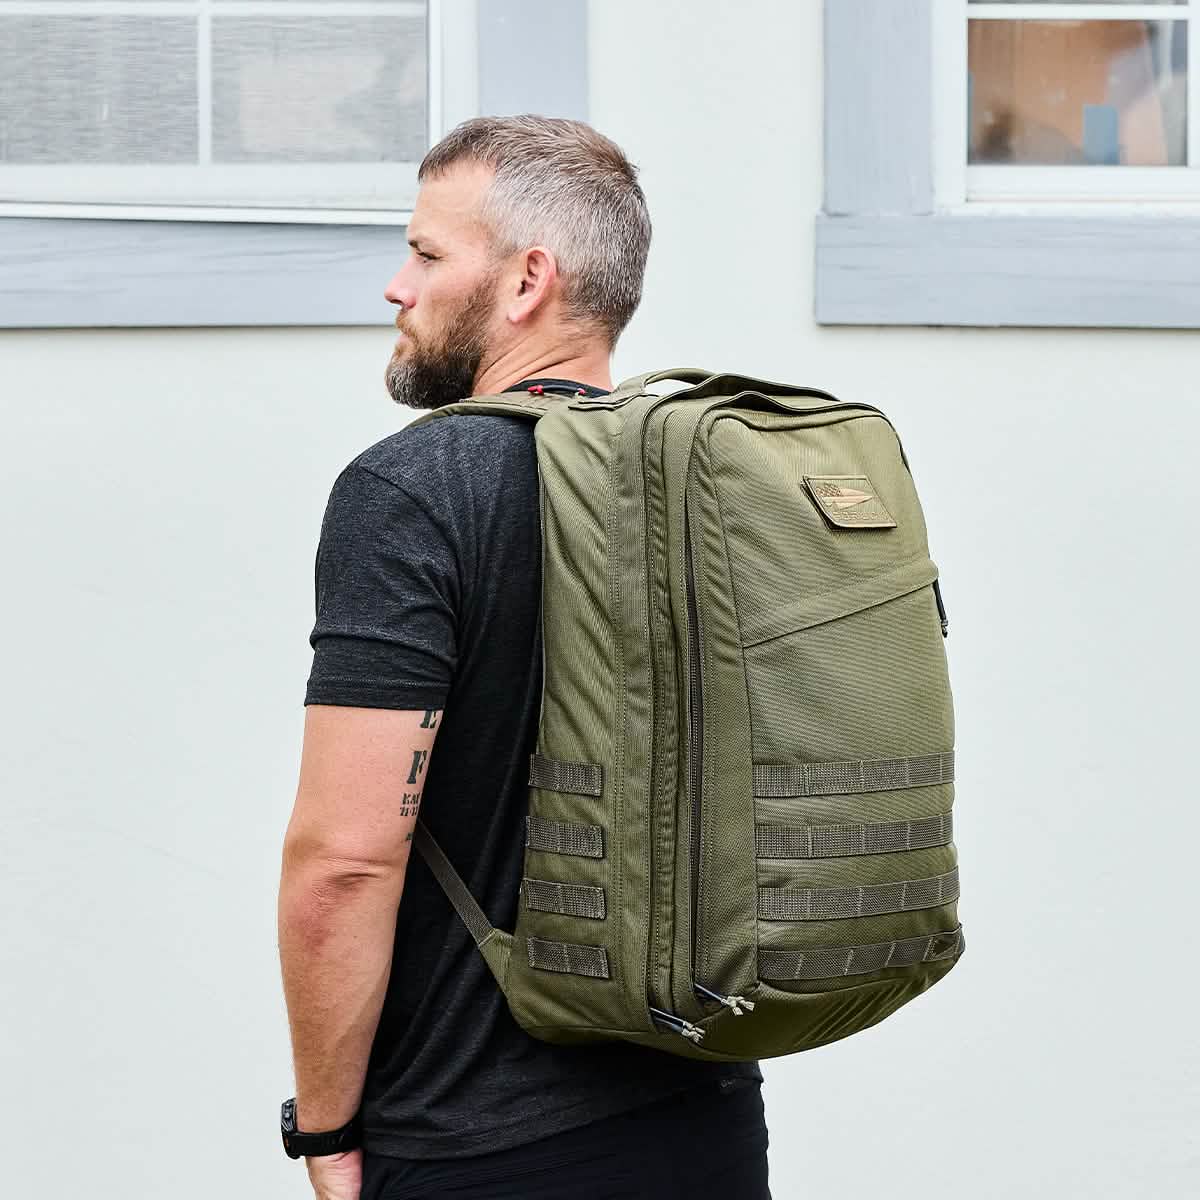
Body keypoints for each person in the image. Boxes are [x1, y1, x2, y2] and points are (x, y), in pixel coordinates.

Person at [277, 115, 770, 1200]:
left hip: (478, 1145)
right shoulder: (717, 484)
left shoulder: (415, 489)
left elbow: (346, 860)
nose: (397, 287)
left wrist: (324, 1134)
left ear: (527, 279)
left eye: (428, 253)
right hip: (707, 1116)